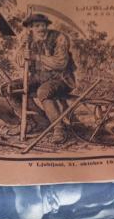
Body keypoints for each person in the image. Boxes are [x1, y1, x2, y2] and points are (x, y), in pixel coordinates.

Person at [10, 13, 76, 145]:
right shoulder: (28, 39)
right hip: (38, 77)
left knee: (43, 91)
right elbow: (20, 62)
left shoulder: (59, 38)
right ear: (30, 28)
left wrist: (36, 57)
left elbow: (60, 63)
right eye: (37, 26)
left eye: (43, 25)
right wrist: (22, 47)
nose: (41, 28)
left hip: (61, 78)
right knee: (10, 88)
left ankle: (59, 129)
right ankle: (33, 122)